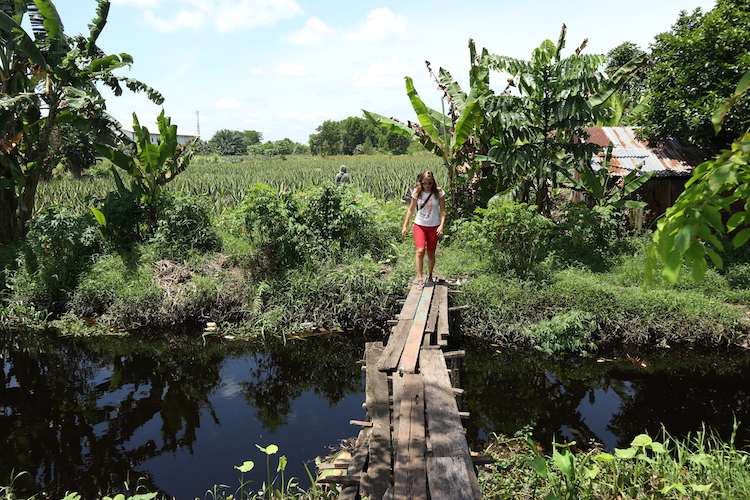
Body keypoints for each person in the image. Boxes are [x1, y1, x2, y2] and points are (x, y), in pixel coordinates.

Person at [401, 170, 446, 288]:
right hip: (419, 225)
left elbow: (443, 211)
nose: (427, 186)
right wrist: (405, 226)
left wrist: (441, 225)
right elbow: (411, 210)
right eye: (424, 183)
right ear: (421, 183)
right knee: (420, 250)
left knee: (431, 253)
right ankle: (420, 278)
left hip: (434, 226)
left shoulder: (439, 193)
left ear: (433, 182)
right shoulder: (417, 192)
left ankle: (430, 275)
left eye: (429, 183)